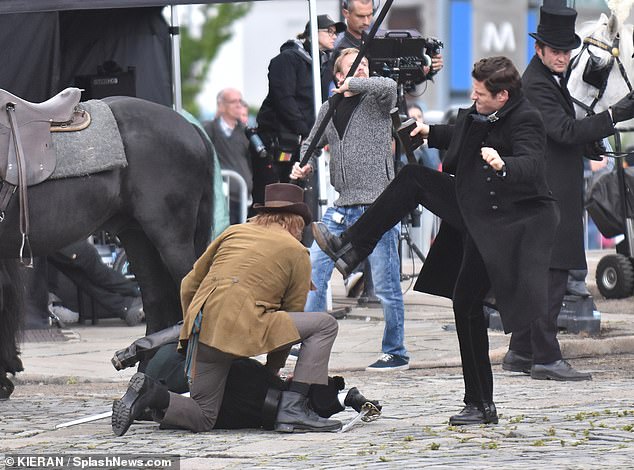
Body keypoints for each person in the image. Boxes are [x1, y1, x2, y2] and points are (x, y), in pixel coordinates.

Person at [311, 56, 561, 425]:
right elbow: (464, 132)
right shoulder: (487, 110)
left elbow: (532, 163)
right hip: (475, 207)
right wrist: (429, 132)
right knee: (464, 302)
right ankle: (479, 403)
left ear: (503, 96)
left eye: (480, 94)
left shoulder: (527, 119)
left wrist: (502, 163)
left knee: (416, 184)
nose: (474, 99)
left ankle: (349, 247)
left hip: (502, 221)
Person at [111, 183, 341, 436]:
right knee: (325, 325)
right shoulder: (297, 251)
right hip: (244, 322)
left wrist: (191, 328)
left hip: (203, 326)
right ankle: (294, 409)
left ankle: (152, 395)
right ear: (297, 222)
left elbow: (189, 284)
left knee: (203, 415)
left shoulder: (234, 232)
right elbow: (291, 315)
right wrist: (272, 369)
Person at [502, 4, 634, 381]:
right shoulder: (536, 84)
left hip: (552, 187)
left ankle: (521, 350)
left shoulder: (549, 79)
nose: (561, 57)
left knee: (543, 274)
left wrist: (586, 145)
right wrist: (615, 116)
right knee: (553, 275)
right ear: (539, 49)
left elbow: (561, 135)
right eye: (554, 50)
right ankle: (545, 356)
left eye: (565, 51)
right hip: (548, 191)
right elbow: (564, 130)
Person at [291, 48, 409, 372]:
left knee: (386, 283)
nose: (363, 73)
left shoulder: (377, 100)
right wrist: (305, 166)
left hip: (378, 204)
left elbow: (388, 86)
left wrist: (361, 83)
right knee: (314, 269)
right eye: (355, 69)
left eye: (366, 67)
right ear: (338, 76)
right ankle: (307, 339)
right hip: (343, 205)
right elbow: (310, 144)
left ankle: (395, 351)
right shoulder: (329, 108)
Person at [111, 325, 381, 430]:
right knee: (218, 412)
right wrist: (347, 399)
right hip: (201, 375)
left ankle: (149, 401)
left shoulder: (212, 295)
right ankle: (153, 398)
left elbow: (179, 329)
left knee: (243, 389)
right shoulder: (241, 311)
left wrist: (134, 350)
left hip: (160, 364)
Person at [254, 14, 346, 197]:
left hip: (304, 139)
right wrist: (308, 132)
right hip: (278, 139)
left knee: (302, 197)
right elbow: (284, 100)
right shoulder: (287, 59)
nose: (334, 36)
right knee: (272, 197)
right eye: (329, 31)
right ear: (312, 33)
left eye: (335, 33)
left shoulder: (326, 64)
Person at [47, 239, 143, 326]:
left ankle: (126, 307)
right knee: (97, 272)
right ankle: (139, 295)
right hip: (59, 241)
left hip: (51, 246)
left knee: (86, 280)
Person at [204, 88, 253, 225]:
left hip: (243, 200)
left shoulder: (247, 133)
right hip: (220, 200)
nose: (239, 105)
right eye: (233, 101)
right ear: (222, 105)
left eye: (240, 101)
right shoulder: (208, 130)